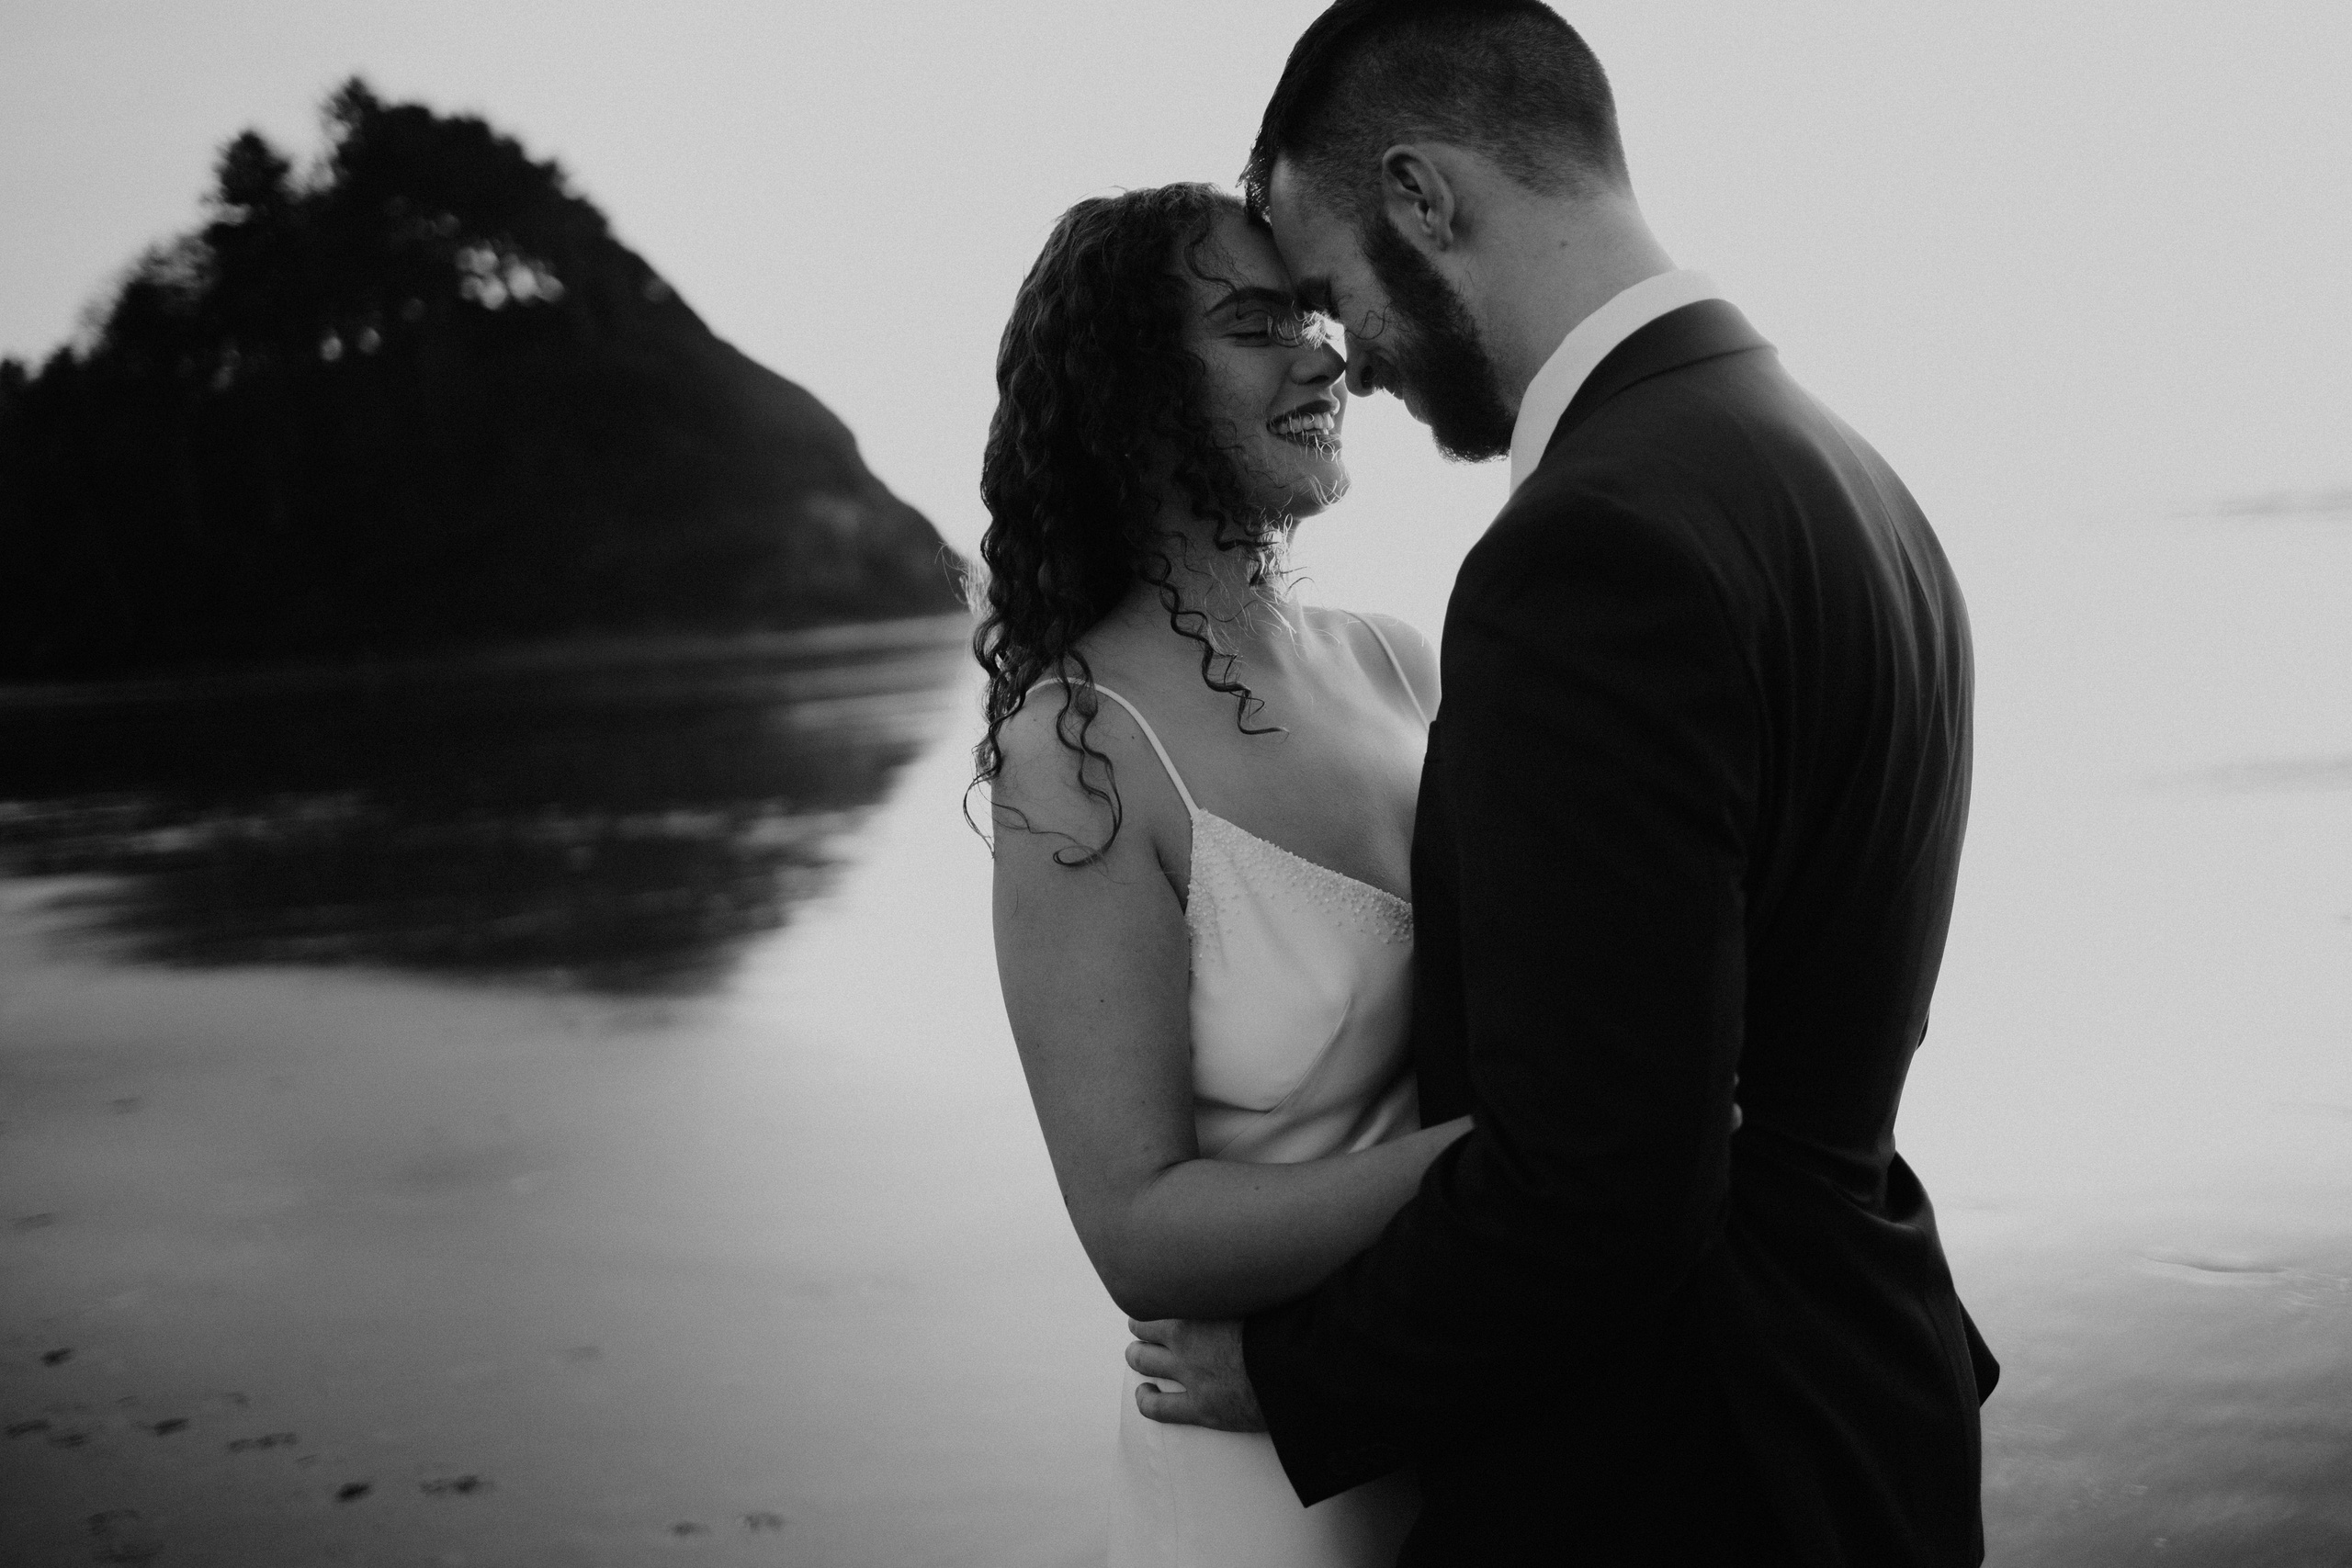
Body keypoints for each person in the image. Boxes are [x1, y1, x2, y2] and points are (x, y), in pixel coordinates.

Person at [1126, 3, 1999, 1565]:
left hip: (1688, 1469)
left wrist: (1290, 1374)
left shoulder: (1588, 554)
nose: (1356, 366)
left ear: (1423, 197)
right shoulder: (1847, 470)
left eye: (1331, 295)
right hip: (1876, 1398)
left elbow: (1601, 1184)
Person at [974, 182, 1456, 1566]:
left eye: (1313, 311)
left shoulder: (1399, 663)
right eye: (1259, 325)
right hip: (1258, 1492)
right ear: (1134, 396)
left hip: (1462, 1406)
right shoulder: (1082, 752)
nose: (1327, 353)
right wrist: (1508, 1163)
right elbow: (1141, 1230)